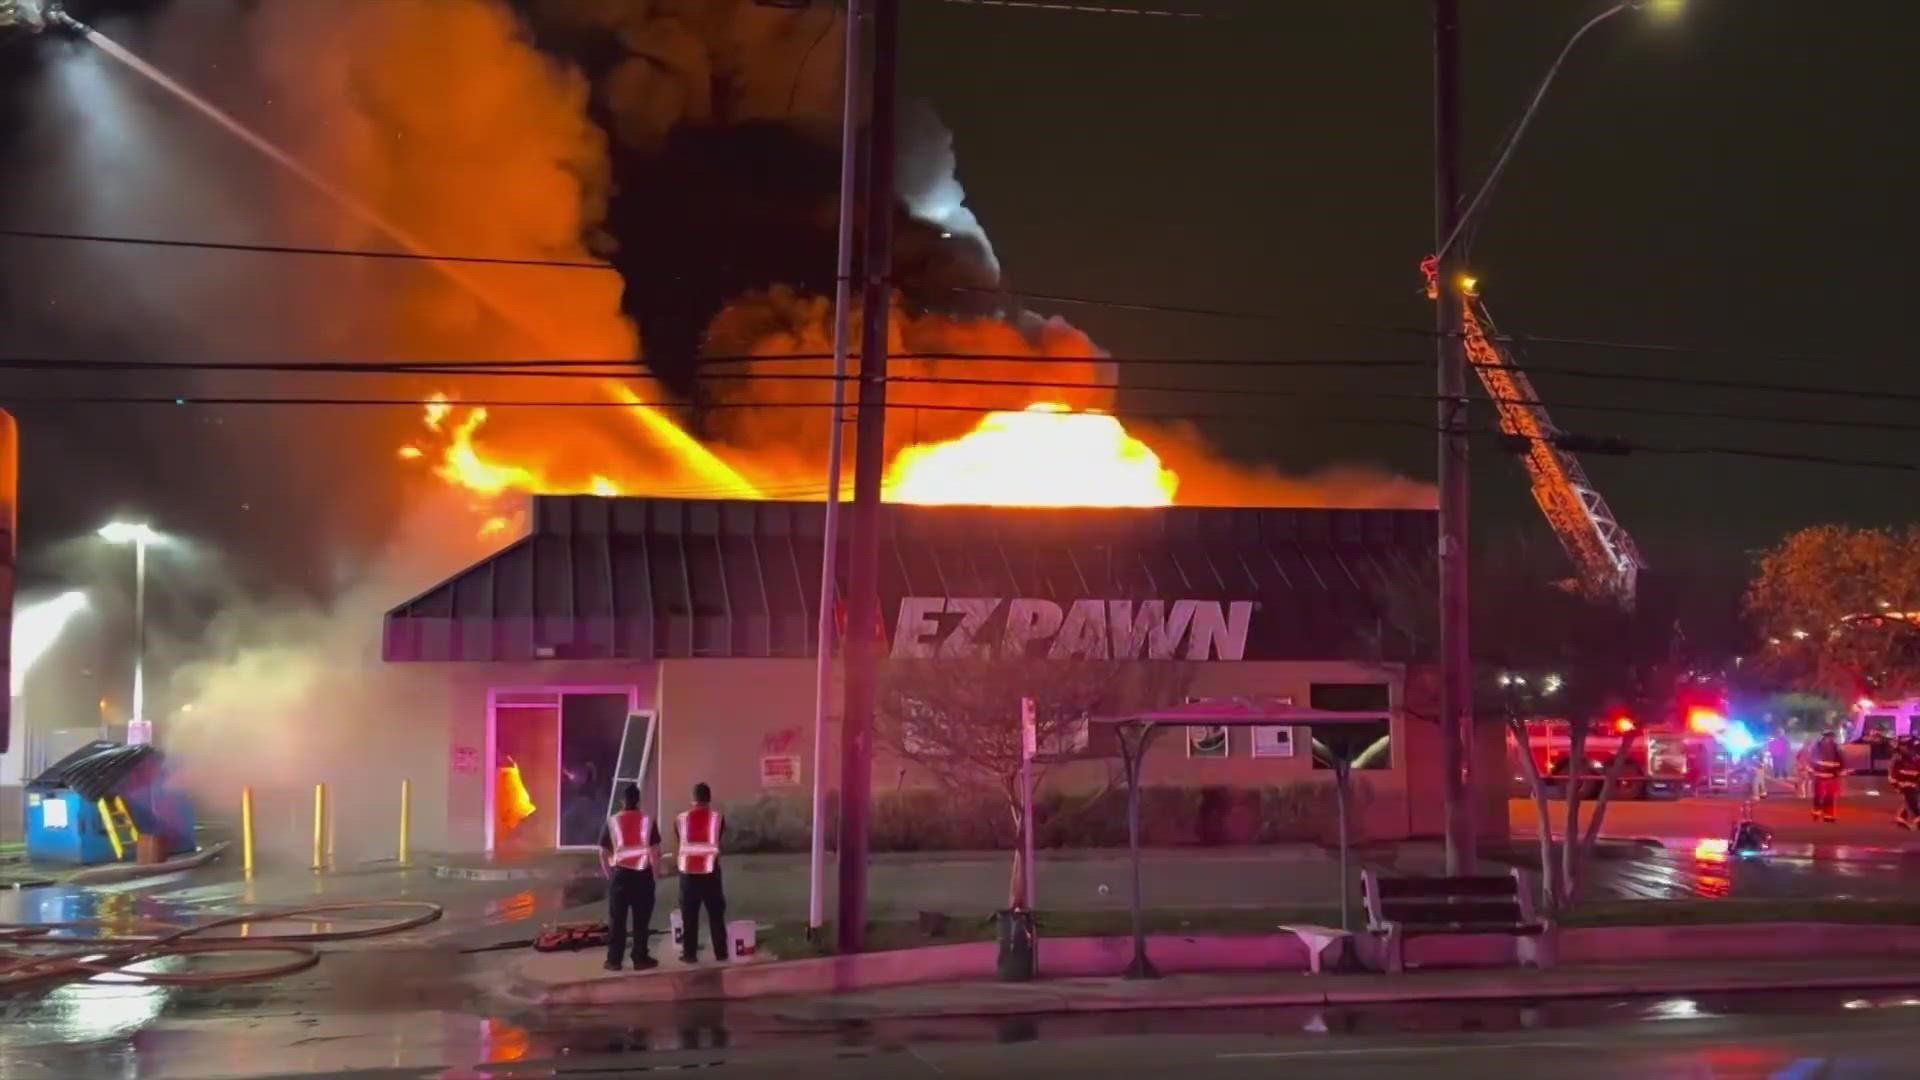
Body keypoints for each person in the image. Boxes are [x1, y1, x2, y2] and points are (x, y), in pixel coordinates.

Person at [598, 783, 662, 971]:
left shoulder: (612, 821)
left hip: (620, 876)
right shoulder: (648, 821)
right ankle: (640, 958)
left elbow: (602, 853)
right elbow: (655, 853)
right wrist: (654, 877)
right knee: (641, 920)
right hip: (643, 876)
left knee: (617, 920)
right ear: (638, 800)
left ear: (622, 801)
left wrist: (610, 874)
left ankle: (614, 960)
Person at [676, 782, 728, 963]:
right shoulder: (717, 819)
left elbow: (680, 839)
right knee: (716, 914)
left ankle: (689, 954)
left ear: (693, 799)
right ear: (709, 798)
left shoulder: (681, 819)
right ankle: (721, 952)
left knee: (689, 915)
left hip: (688, 873)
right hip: (710, 872)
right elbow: (717, 839)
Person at [1808, 730, 1845, 824]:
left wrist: (1839, 769)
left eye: (1830, 737)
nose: (1829, 739)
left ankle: (1828, 814)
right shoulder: (1817, 746)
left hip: (1830, 775)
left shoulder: (1836, 747)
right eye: (1827, 737)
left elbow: (1841, 759)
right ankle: (1818, 810)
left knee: (1830, 796)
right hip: (1820, 775)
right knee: (1819, 795)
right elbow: (1812, 759)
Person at [1893, 737, 1920, 829]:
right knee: (1912, 801)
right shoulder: (1898, 759)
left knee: (1910, 801)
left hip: (1912, 783)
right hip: (1905, 783)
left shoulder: (1915, 758)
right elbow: (1896, 773)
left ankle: (1901, 818)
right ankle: (1917, 818)